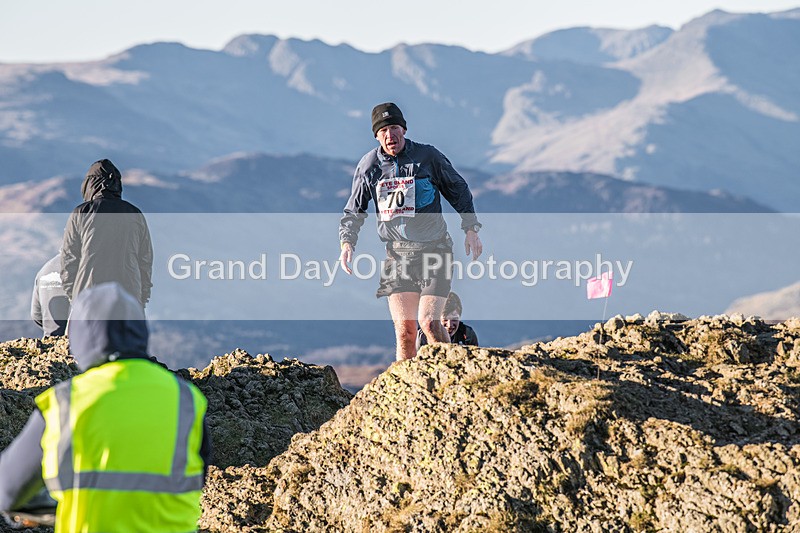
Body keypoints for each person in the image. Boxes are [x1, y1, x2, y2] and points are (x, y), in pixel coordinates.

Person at [0, 283, 211, 532]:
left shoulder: (65, 402)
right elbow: (196, 476)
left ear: (79, 337)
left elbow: (7, 490)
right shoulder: (186, 398)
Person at [339, 102, 483, 361]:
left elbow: (458, 189)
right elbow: (354, 208)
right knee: (405, 333)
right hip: (398, 257)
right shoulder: (369, 165)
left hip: (435, 252)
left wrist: (470, 228)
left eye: (394, 128)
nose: (389, 136)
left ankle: (451, 379)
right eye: (383, 131)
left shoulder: (428, 157)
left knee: (429, 323)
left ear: (404, 129)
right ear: (376, 135)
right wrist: (347, 242)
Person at [61, 159, 153, 308]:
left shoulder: (81, 213)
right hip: (128, 297)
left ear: (89, 184)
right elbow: (145, 260)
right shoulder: (135, 214)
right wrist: (142, 297)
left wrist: (74, 294)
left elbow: (69, 258)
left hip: (89, 297)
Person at [31, 254, 70, 337]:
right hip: (82, 343)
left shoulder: (45, 270)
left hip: (51, 342)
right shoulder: (94, 266)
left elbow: (36, 315)